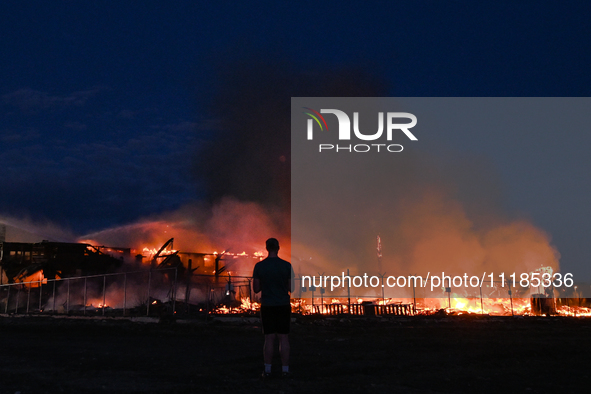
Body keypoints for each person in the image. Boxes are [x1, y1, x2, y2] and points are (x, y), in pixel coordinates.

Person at [252, 238, 293, 378]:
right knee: (284, 338)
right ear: (278, 248)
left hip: (267, 305)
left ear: (267, 248)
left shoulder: (259, 266)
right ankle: (285, 370)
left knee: (269, 338)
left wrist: (266, 283)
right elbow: (291, 288)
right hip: (283, 304)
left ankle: (268, 371)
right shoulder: (287, 266)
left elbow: (256, 289)